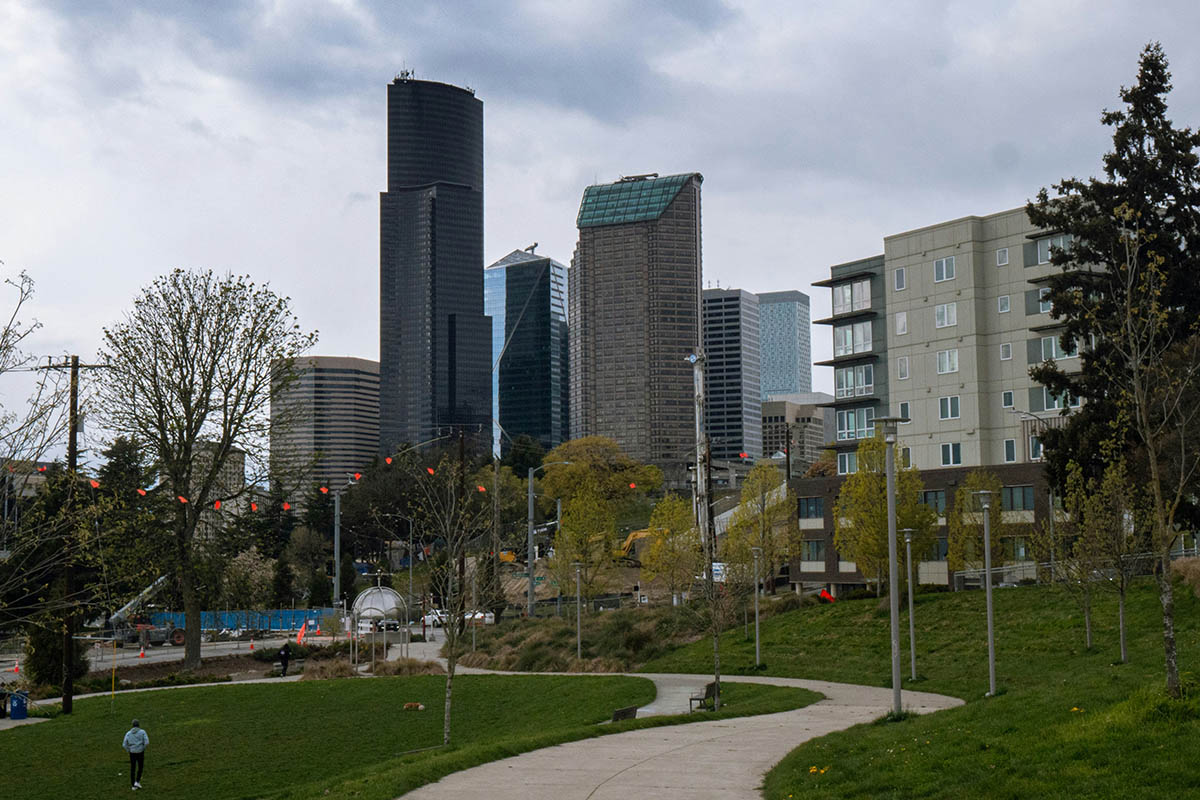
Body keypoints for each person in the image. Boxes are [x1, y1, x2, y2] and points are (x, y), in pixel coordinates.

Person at [122, 718, 149, 790]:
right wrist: (143, 748)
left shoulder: (128, 733)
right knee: (140, 767)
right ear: (138, 725)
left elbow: (124, 744)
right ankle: (137, 781)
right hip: (140, 752)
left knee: (133, 768)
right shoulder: (142, 732)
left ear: (132, 725)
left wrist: (129, 750)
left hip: (132, 753)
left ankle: (133, 785)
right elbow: (146, 742)